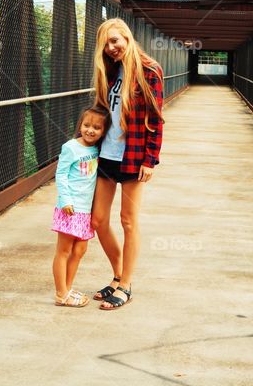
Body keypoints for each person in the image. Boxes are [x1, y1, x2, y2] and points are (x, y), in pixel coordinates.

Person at [90, 18, 164, 310]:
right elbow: (101, 112)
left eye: (115, 41)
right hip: (106, 155)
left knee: (128, 221)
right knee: (97, 221)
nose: (111, 48)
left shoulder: (149, 70)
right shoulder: (108, 70)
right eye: (106, 44)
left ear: (128, 38)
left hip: (133, 157)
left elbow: (156, 119)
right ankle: (118, 274)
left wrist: (151, 160)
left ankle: (126, 285)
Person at [52, 105, 109, 307]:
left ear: (103, 131)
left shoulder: (96, 150)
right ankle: (61, 294)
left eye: (96, 127)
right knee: (64, 251)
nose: (90, 130)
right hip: (70, 208)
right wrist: (65, 200)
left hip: (85, 210)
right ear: (80, 125)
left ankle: (67, 289)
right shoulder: (71, 147)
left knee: (80, 250)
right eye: (86, 125)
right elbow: (61, 174)